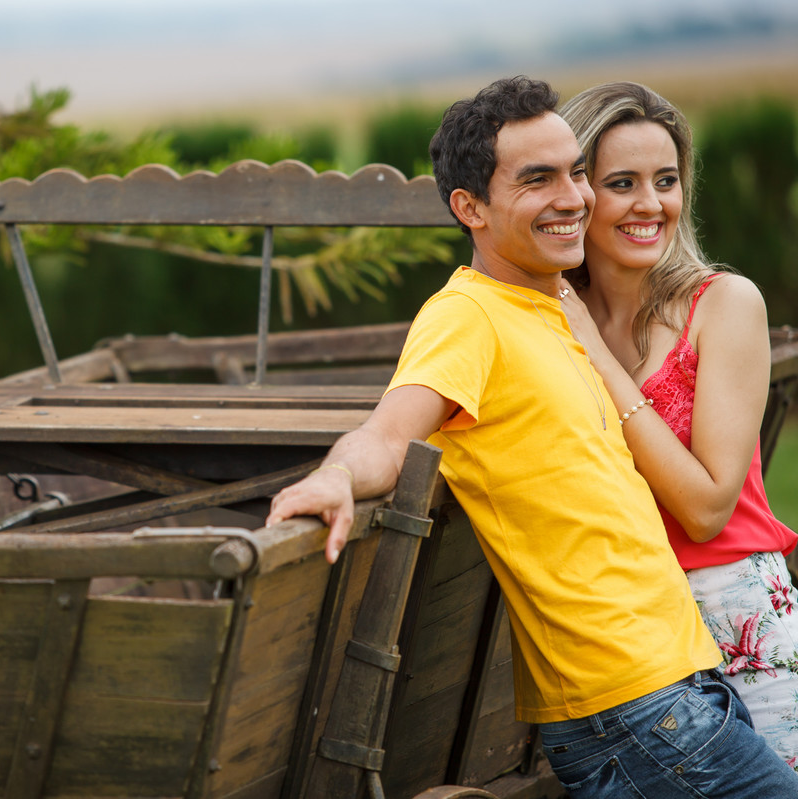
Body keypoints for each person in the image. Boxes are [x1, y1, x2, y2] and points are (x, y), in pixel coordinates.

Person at [266, 75, 798, 798]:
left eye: (575, 172)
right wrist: (336, 475)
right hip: (630, 698)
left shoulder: (551, 306)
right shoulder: (468, 317)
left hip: (679, 670)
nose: (572, 196)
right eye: (538, 178)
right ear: (470, 207)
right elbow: (389, 433)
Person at [557, 81, 798, 771]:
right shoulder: (552, 323)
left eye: (666, 180)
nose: (650, 204)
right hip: (628, 633)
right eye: (622, 182)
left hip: (737, 616)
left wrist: (598, 358)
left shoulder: (723, 304)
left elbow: (706, 505)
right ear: (577, 195)